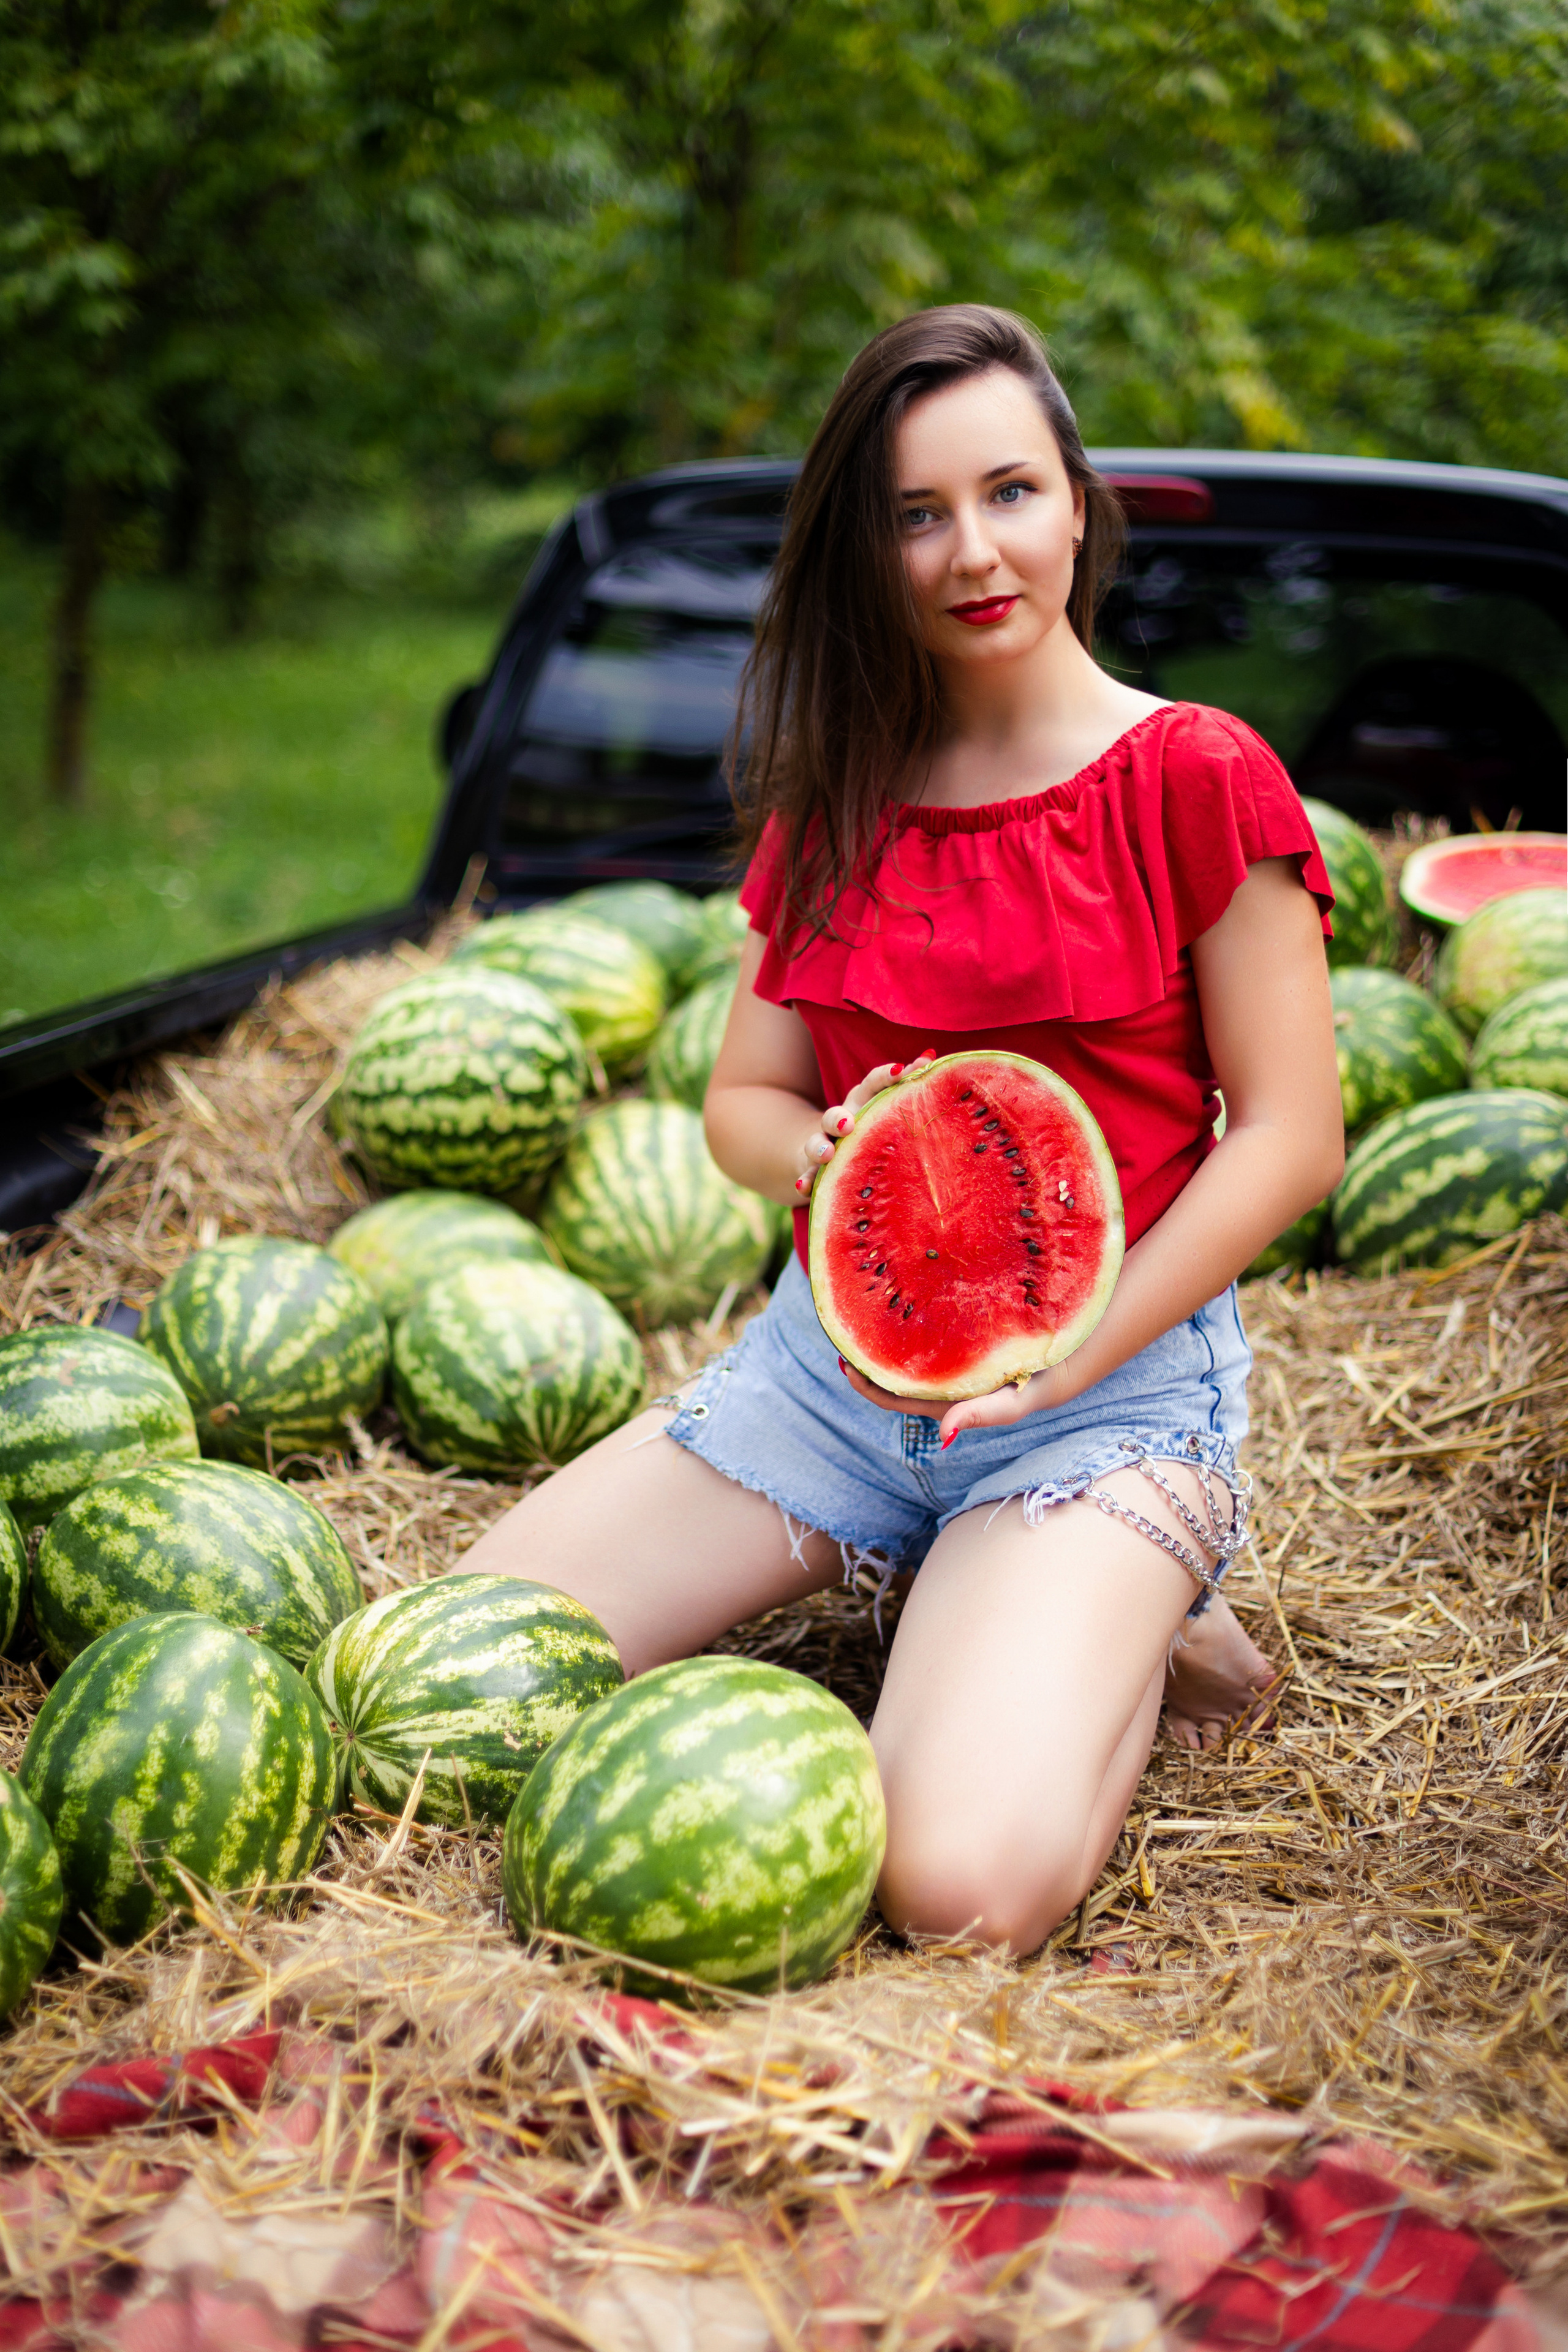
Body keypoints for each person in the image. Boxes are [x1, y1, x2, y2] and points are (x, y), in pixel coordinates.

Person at [461, 304, 1343, 1957]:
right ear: (866, 554)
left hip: (1105, 1402)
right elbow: (744, 1102)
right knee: (462, 1683)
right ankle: (1012, 1600)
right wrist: (816, 1160)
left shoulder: (1194, 773)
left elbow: (1293, 1139)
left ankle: (1142, 1619)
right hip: (829, 1382)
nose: (972, 552)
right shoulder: (839, 796)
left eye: (1009, 493)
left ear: (1076, 503)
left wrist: (1066, 1367)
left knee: (954, 1896)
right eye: (915, 515)